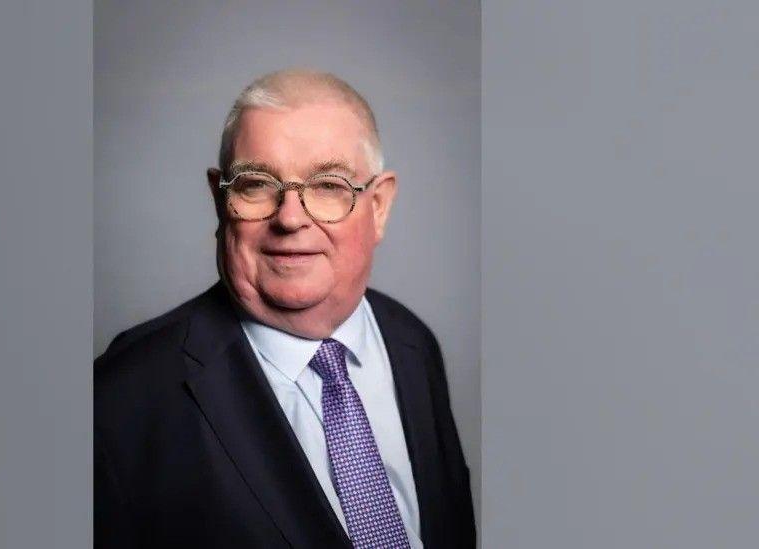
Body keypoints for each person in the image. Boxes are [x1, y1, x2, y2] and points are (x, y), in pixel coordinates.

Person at [95, 69, 475, 548]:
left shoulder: (412, 341)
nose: (290, 218)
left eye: (328, 185)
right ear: (220, 200)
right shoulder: (117, 402)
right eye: (256, 184)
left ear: (378, 206)